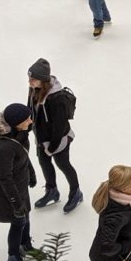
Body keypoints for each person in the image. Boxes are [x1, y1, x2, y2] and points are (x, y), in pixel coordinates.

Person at [0, 102, 39, 261]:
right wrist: (15, 203)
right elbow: (5, 178)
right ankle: (13, 259)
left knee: (26, 216)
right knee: (18, 222)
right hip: (10, 192)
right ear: (16, 123)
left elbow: (23, 154)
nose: (30, 121)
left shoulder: (20, 134)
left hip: (21, 185)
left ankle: (25, 245)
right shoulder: (3, 148)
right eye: (26, 119)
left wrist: (31, 173)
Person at [27, 58, 82, 213]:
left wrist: (52, 146)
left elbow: (60, 126)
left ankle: (76, 192)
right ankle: (52, 191)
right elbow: (30, 110)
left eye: (33, 79)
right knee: (44, 163)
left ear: (43, 80)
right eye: (29, 77)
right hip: (42, 137)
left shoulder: (57, 99)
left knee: (63, 164)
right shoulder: (34, 89)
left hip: (58, 139)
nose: (29, 81)